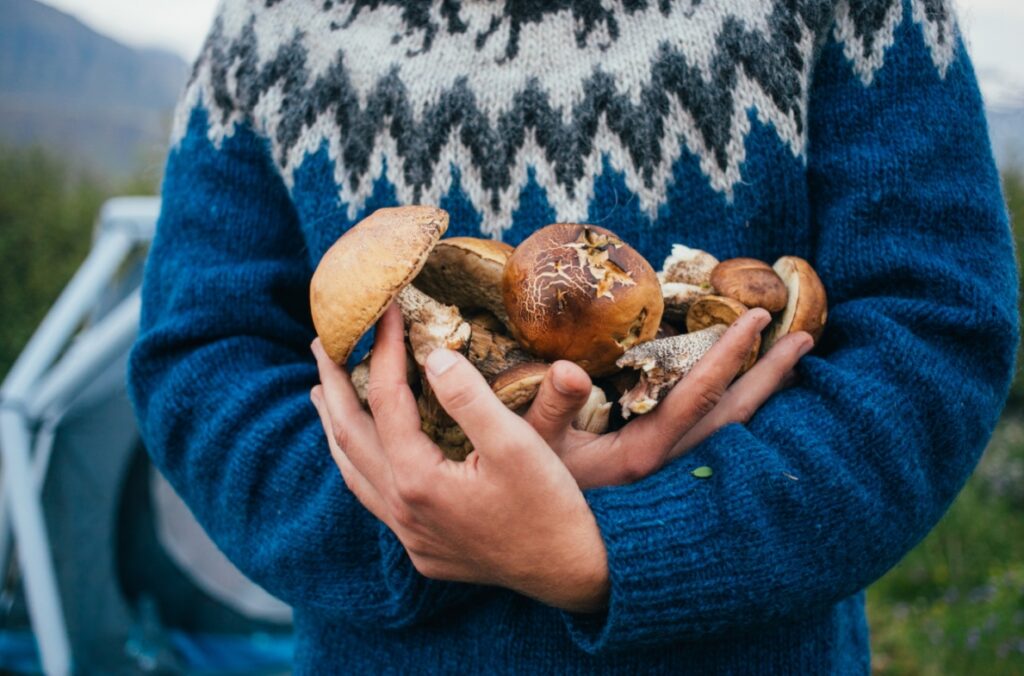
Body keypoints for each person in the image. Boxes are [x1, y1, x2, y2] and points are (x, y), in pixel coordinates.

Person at [127, 0, 1018, 672]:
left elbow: (931, 330)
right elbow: (203, 357)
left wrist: (615, 547)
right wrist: (421, 516)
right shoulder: (269, 23)